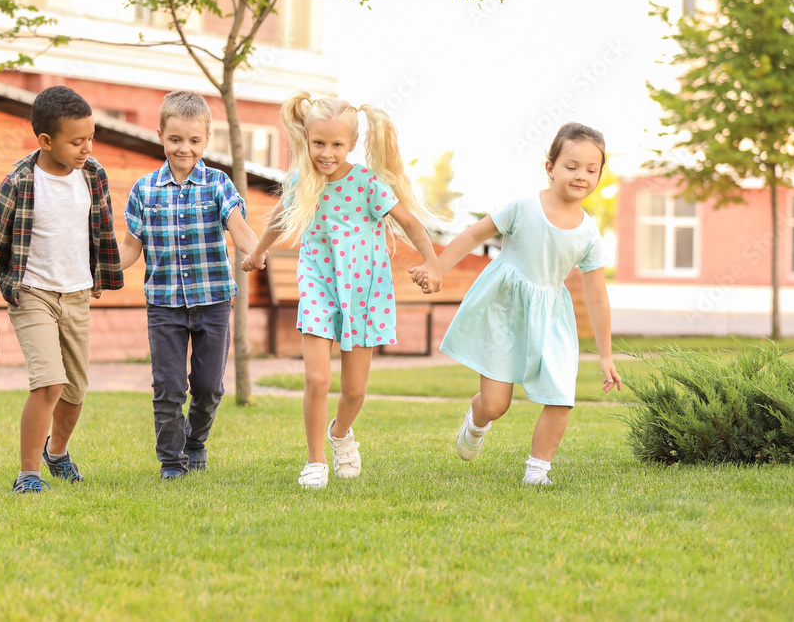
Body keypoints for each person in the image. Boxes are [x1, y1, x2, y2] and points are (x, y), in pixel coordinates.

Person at [242, 92, 442, 490]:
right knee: (316, 379)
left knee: (354, 390)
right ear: (306, 138)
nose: (327, 153)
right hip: (318, 283)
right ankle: (315, 460)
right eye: (319, 143)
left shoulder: (369, 183)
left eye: (336, 144)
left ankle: (340, 434)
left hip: (365, 291)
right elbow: (280, 221)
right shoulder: (302, 180)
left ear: (351, 144)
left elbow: (413, 224)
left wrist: (432, 262)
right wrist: (258, 254)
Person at [431, 122, 622, 485]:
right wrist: (437, 269)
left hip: (551, 318)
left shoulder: (589, 233)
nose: (581, 175)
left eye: (591, 169)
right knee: (495, 405)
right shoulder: (522, 207)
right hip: (504, 311)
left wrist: (606, 354)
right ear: (549, 168)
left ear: (599, 175)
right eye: (571, 165)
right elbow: (474, 234)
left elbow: (597, 296)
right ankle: (477, 418)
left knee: (561, 396)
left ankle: (537, 470)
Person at [0, 85, 124, 494]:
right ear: (45, 140)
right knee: (49, 383)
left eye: (91, 138)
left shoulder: (93, 175)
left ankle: (56, 453)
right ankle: (28, 473)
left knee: (74, 392)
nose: (87, 148)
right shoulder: (19, 181)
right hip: (31, 293)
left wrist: (100, 275)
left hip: (75, 294)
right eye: (77, 141)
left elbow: (100, 229)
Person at [119, 90, 260, 481]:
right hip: (163, 305)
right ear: (161, 135)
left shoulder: (218, 184)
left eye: (194, 141)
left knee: (209, 387)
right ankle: (171, 462)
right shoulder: (144, 190)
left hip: (213, 301)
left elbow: (239, 228)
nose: (185, 148)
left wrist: (255, 251)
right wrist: (103, 272)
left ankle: (195, 441)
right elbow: (131, 247)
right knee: (168, 386)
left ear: (206, 140)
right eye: (176, 139)